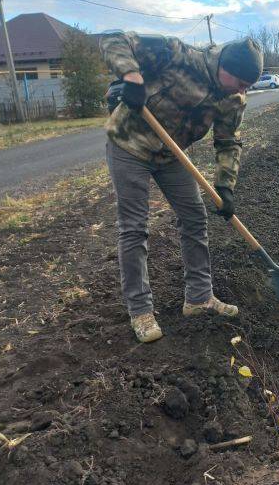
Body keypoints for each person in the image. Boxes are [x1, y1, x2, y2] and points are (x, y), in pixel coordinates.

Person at [100, 30, 263, 343]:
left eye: (248, 86)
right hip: (129, 144)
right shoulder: (178, 54)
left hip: (171, 153)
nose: (243, 91)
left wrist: (225, 186)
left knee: (194, 217)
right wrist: (131, 75)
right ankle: (141, 311)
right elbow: (113, 38)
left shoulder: (233, 99)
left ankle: (199, 298)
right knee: (134, 228)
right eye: (241, 83)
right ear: (223, 68)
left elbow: (228, 142)